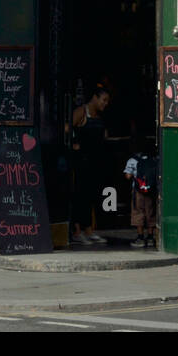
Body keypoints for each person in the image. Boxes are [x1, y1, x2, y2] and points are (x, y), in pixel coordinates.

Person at [70, 86, 112, 246]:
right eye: (104, 100)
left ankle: (89, 230)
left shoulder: (100, 116)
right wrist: (75, 144)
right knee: (79, 194)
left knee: (91, 196)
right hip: (82, 161)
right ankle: (77, 231)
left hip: (96, 161)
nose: (106, 104)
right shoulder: (82, 112)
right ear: (95, 97)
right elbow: (67, 128)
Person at [124, 150, 157, 248]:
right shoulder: (155, 159)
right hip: (151, 190)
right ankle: (151, 237)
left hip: (138, 191)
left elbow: (128, 176)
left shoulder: (132, 160)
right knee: (151, 212)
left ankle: (140, 238)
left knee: (138, 212)